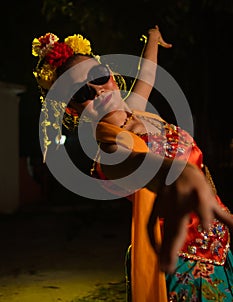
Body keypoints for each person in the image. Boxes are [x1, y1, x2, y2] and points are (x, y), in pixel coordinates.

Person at [32, 26, 233, 301]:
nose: (98, 91)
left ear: (112, 77)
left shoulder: (135, 109)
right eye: (82, 94)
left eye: (99, 77)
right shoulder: (111, 152)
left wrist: (151, 39)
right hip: (188, 265)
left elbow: (147, 75)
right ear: (72, 108)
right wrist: (175, 171)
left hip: (222, 242)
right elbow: (142, 165)